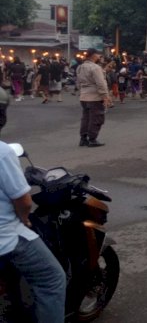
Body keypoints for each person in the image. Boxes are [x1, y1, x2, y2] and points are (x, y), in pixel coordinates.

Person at [0, 140, 67, 323]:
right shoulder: (3, 152)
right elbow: (24, 200)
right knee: (52, 280)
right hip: (6, 238)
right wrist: (24, 219)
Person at [77, 48, 112, 147]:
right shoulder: (95, 68)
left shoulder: (80, 67)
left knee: (86, 118)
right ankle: (92, 139)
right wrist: (105, 96)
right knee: (96, 118)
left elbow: (78, 82)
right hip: (94, 96)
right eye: (98, 55)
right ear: (93, 55)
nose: (99, 57)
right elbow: (101, 83)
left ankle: (83, 138)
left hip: (84, 96)